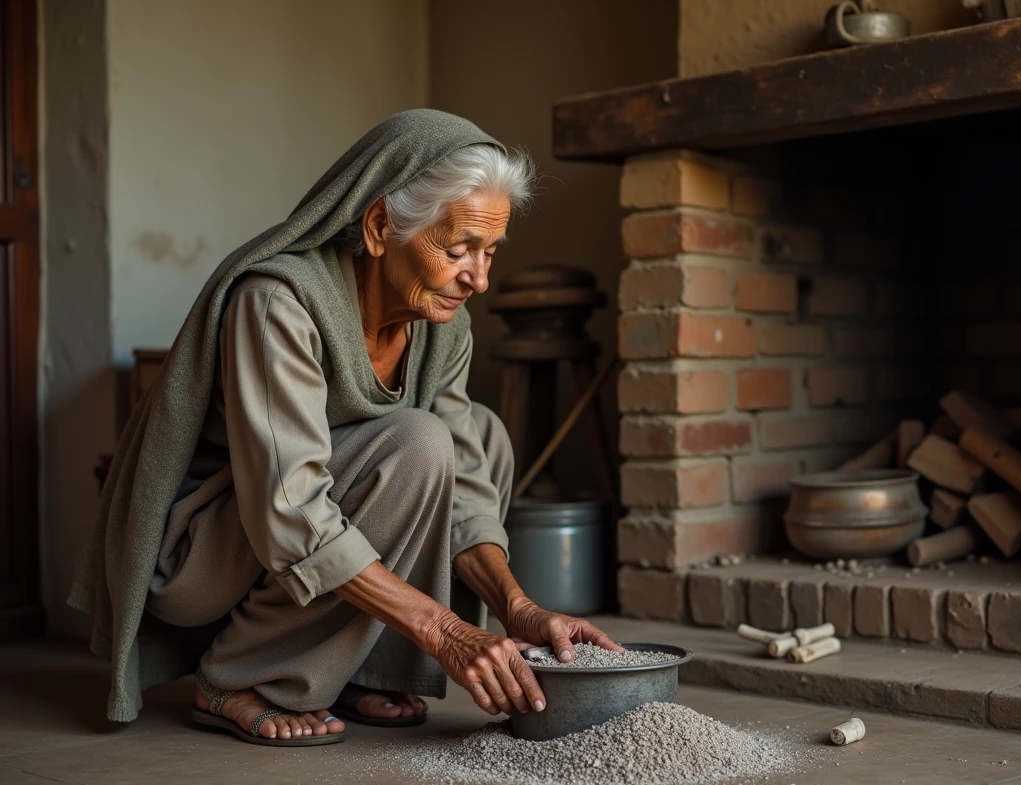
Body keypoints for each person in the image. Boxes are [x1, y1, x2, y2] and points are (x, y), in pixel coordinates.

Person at [69, 110, 621, 746]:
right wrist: (447, 634)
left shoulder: (445, 326)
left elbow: (467, 488)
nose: (480, 278)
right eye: (459, 248)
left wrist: (516, 608)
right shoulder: (279, 302)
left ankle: (366, 669)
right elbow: (291, 509)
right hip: (205, 555)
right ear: (382, 227)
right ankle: (243, 677)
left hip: (288, 543)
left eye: (490, 252)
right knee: (419, 442)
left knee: (481, 437)